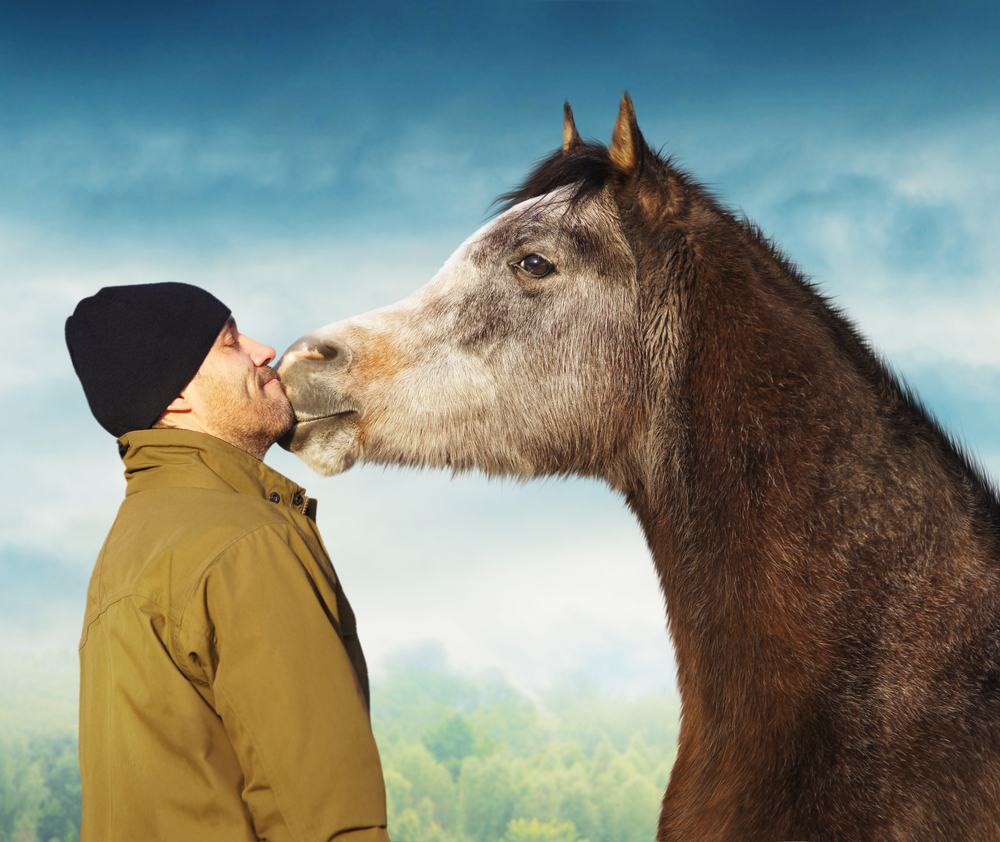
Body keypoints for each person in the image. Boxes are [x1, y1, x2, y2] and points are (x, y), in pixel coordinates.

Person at [65, 282, 389, 841]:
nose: (265, 352)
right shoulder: (246, 542)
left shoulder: (130, 550)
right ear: (176, 397)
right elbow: (318, 812)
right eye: (230, 341)